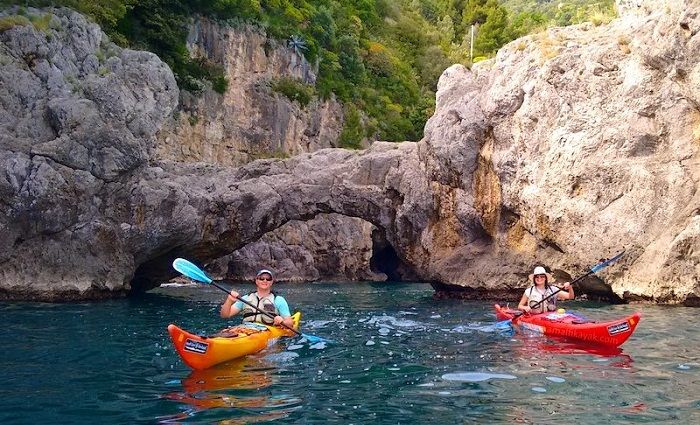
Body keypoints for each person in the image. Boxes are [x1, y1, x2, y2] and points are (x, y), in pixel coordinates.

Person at [220, 269, 294, 328]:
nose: (265, 281)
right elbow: (225, 315)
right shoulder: (245, 298)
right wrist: (229, 300)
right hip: (245, 330)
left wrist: (282, 322)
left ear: (271, 282)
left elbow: (290, 323)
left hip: (267, 331)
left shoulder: (278, 300)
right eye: (261, 278)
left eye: (268, 279)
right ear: (256, 281)